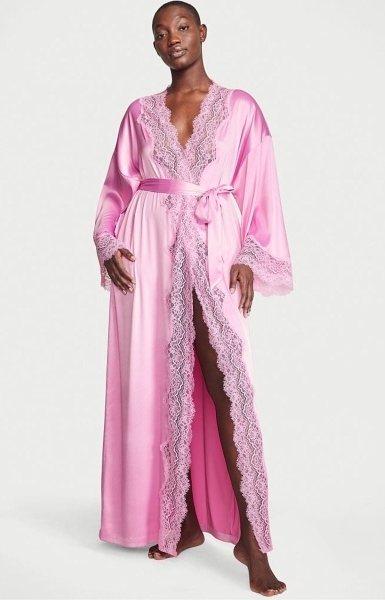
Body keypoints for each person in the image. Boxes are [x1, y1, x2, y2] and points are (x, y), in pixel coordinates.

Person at [93, 1, 292, 595]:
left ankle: (253, 541)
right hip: (148, 250)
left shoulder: (240, 107)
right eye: (160, 33)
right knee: (157, 379)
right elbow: (115, 189)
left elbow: (260, 188)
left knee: (226, 384)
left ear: (203, 33)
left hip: (213, 249)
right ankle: (178, 521)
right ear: (153, 45)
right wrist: (107, 242)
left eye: (182, 27)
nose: (172, 38)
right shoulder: (139, 113)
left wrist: (250, 253)